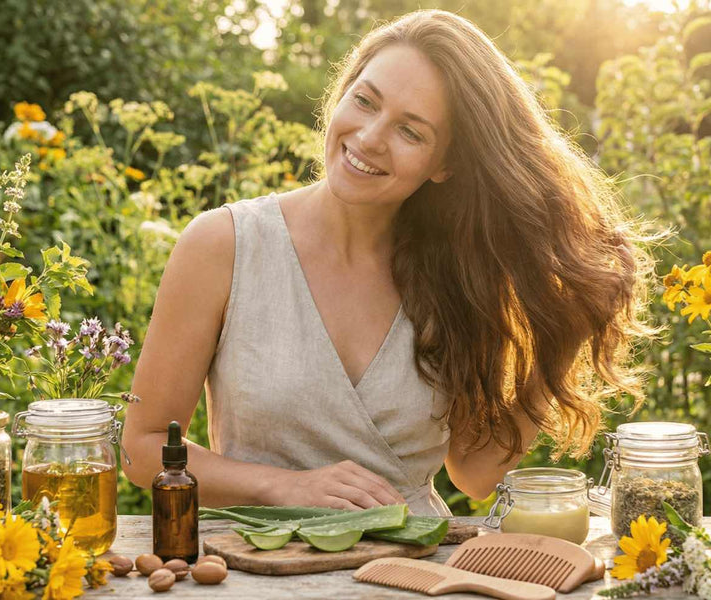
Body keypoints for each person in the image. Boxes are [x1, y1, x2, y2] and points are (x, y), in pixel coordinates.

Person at [121, 9, 652, 516]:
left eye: (411, 131)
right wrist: (284, 487)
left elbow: (473, 472)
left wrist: (567, 331)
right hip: (253, 569)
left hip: (411, 567)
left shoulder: (459, 276)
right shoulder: (224, 245)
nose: (370, 139)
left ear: (445, 165)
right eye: (366, 101)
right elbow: (141, 450)